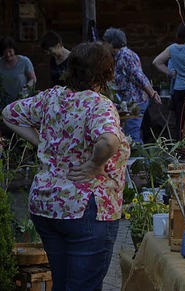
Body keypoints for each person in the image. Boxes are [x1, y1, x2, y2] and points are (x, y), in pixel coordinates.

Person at [2, 42, 130, 290]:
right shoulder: (98, 104)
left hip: (47, 205)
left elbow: (9, 114)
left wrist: (40, 141)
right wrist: (94, 164)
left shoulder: (52, 97)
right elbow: (109, 140)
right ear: (106, 73)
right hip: (87, 209)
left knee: (62, 284)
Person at [103, 28, 161, 144]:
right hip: (126, 103)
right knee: (127, 134)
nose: (104, 44)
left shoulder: (126, 56)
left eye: (105, 42)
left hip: (135, 102)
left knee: (132, 135)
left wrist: (152, 93)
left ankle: (140, 160)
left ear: (112, 43)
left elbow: (139, 77)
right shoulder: (117, 57)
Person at [153, 22, 185, 140]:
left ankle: (180, 144)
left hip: (178, 90)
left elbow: (156, 62)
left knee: (179, 121)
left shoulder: (172, 48)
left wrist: (170, 72)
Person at [0, 36, 36, 107]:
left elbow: (33, 78)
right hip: (4, 101)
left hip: (23, 99)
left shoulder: (24, 61)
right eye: (5, 52)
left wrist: (27, 87)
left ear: (14, 50)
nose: (8, 54)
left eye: (10, 51)